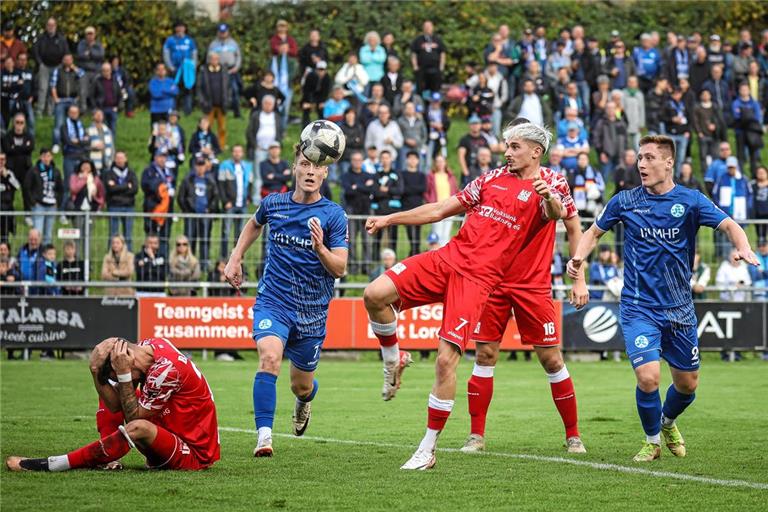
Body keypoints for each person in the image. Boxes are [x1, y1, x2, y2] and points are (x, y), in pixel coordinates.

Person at [364, 121, 565, 470]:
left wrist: (549, 198)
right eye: (506, 145)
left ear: (536, 150)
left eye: (515, 146)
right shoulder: (489, 179)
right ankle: (393, 360)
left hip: (477, 280)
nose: (507, 152)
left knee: (445, 362)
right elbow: (441, 209)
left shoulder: (545, 188)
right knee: (374, 294)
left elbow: (555, 213)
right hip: (447, 258)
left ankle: (427, 449)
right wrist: (390, 219)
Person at [567, 134, 758, 462]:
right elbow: (593, 232)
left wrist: (743, 246)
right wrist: (578, 261)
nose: (642, 164)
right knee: (649, 376)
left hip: (680, 308)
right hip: (638, 306)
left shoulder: (691, 200)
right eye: (640, 157)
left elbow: (729, 225)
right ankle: (652, 441)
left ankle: (668, 422)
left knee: (687, 386)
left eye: (650, 158)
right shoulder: (625, 201)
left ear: (669, 163)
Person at [223, 142, 349, 457]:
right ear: (294, 168)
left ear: (325, 172)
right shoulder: (274, 204)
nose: (309, 171)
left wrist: (321, 249)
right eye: (304, 165)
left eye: (316, 167)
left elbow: (341, 268)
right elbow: (254, 223)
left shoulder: (334, 215)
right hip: (274, 302)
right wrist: (235, 257)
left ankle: (304, 403)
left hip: (312, 312)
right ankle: (264, 437)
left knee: (301, 386)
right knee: (268, 358)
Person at [6, 337, 220, 472]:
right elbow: (116, 406)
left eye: (117, 374)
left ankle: (54, 464)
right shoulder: (149, 347)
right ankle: (107, 460)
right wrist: (95, 372)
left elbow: (135, 420)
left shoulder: (165, 370)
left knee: (139, 427)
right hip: (169, 428)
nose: (119, 379)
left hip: (194, 454)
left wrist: (124, 374)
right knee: (118, 394)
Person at [178, 155, 219, 269]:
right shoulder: (188, 180)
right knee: (190, 239)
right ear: (195, 166)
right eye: (198, 165)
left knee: (205, 239)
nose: (200, 168)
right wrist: (187, 210)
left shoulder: (210, 180)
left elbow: (215, 197)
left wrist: (210, 209)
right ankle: (190, 263)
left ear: (205, 166)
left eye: (202, 165)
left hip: (205, 215)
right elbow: (181, 197)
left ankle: (204, 264)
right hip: (192, 215)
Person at [342, 151, 375, 274]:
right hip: (351, 210)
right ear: (351, 161)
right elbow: (348, 191)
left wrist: (357, 187)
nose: (357, 162)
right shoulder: (346, 176)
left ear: (362, 161)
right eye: (355, 160)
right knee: (351, 241)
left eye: (359, 160)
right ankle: (353, 267)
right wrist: (363, 187)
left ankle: (366, 267)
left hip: (366, 210)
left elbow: (372, 189)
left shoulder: (368, 175)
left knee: (367, 240)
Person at [713, 156, 751, 259]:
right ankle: (727, 259)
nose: (731, 169)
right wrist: (719, 209)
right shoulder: (721, 178)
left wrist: (748, 209)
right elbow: (715, 194)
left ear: (736, 167)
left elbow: (749, 195)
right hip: (726, 213)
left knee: (740, 237)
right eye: (729, 167)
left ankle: (741, 258)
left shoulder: (744, 179)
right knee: (727, 238)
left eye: (733, 167)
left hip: (740, 214)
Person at [218, 145, 253, 258]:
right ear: (232, 153)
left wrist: (248, 198)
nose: (237, 153)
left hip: (242, 204)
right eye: (235, 151)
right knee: (226, 232)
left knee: (240, 233)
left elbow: (250, 184)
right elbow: (221, 185)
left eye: (239, 151)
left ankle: (238, 257)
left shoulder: (247, 166)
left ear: (242, 153)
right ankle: (223, 256)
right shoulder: (225, 166)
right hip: (230, 204)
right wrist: (225, 201)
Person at [141, 149, 175, 259]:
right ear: (155, 158)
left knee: (165, 238)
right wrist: (161, 188)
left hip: (166, 211)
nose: (162, 159)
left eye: (164, 157)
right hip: (153, 209)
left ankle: (163, 262)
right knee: (151, 237)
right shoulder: (149, 171)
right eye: (160, 156)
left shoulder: (169, 171)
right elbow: (146, 185)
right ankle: (150, 262)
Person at [32, 17, 68, 117]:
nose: (51, 27)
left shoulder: (61, 38)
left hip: (57, 67)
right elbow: (35, 51)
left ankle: (50, 112)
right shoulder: (41, 38)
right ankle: (39, 111)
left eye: (53, 25)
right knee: (42, 89)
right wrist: (40, 64)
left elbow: (66, 53)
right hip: (44, 66)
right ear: (46, 26)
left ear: (55, 26)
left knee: (53, 89)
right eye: (49, 25)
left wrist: (62, 65)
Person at [370, 150, 403, 258]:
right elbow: (374, 191)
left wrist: (387, 190)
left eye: (387, 157)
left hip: (392, 210)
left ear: (391, 159)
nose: (385, 160)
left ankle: (392, 259)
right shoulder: (376, 174)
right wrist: (387, 192)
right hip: (379, 209)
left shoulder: (397, 173)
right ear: (380, 159)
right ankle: (375, 259)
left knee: (393, 236)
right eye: (383, 158)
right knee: (377, 236)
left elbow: (400, 190)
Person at [26, 148, 62, 244]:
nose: (46, 158)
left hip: (52, 205)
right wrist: (33, 202)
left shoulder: (56, 171)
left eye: (48, 156)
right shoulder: (34, 170)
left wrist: (58, 202)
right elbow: (27, 187)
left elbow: (60, 188)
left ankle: (46, 256)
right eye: (44, 156)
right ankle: (36, 254)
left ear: (51, 157)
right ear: (40, 157)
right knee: (38, 232)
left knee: (48, 235)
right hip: (39, 205)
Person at [103, 151, 137, 252]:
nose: (119, 160)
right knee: (113, 234)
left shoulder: (131, 173)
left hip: (129, 206)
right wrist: (126, 186)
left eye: (122, 158)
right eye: (117, 158)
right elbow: (110, 189)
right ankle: (111, 257)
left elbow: (134, 189)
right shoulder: (109, 173)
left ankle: (128, 258)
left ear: (126, 159)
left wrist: (117, 187)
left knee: (128, 235)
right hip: (114, 205)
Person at [51, 54, 85, 155]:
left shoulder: (75, 71)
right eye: (66, 59)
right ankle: (56, 143)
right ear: (63, 60)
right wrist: (55, 98)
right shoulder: (58, 71)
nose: (68, 61)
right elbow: (53, 85)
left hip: (72, 100)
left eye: (70, 59)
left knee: (73, 122)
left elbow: (82, 74)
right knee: (59, 123)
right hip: (61, 100)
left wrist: (73, 67)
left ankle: (74, 141)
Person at [247, 95, 283, 189]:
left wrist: (277, 146)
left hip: (273, 149)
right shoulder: (256, 115)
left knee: (273, 174)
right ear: (262, 104)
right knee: (258, 174)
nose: (268, 106)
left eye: (270, 104)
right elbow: (249, 131)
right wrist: (255, 145)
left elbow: (280, 131)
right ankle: (256, 199)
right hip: (260, 148)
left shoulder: (277, 116)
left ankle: (273, 195)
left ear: (273, 105)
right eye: (266, 103)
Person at [162, 21, 197, 116]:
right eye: (178, 27)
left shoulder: (190, 41)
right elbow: (166, 54)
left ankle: (188, 111)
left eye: (182, 27)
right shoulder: (170, 40)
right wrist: (170, 67)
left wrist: (193, 67)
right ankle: (174, 110)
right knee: (174, 90)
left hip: (186, 70)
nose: (180, 29)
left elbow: (194, 54)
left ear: (185, 29)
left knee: (188, 90)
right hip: (175, 69)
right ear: (175, 29)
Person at [208, 23, 242, 118]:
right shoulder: (213, 44)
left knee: (235, 90)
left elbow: (238, 56)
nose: (222, 34)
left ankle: (237, 113)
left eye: (224, 32)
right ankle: (217, 112)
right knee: (217, 92)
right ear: (218, 32)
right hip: (218, 71)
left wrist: (236, 67)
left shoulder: (233, 43)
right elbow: (209, 59)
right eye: (221, 32)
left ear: (228, 32)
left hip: (232, 69)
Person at [197, 52, 230, 148]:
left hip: (222, 103)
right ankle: (207, 144)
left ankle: (221, 145)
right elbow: (199, 88)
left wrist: (228, 100)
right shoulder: (204, 71)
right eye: (212, 59)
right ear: (209, 60)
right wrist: (202, 101)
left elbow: (228, 87)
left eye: (216, 59)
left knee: (222, 127)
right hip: (208, 104)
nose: (214, 61)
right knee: (207, 126)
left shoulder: (224, 71)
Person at [424, 154, 458, 246]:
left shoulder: (450, 176)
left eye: (441, 161)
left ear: (445, 163)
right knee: (437, 232)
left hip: (450, 207)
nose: (440, 164)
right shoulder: (431, 176)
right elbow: (426, 191)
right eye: (438, 161)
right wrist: (430, 203)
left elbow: (455, 190)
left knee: (446, 234)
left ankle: (444, 254)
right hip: (437, 207)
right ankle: (436, 252)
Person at [731, 82, 764, 177]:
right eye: (742, 90)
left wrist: (744, 115)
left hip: (752, 133)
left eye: (746, 89)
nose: (744, 91)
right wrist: (749, 116)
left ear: (749, 90)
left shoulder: (754, 103)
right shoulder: (736, 103)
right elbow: (736, 116)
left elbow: (757, 118)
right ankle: (741, 175)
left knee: (753, 156)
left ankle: (754, 176)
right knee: (740, 156)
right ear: (739, 91)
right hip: (740, 132)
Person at [410, 20, 446, 95]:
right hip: (422, 69)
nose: (427, 28)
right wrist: (415, 66)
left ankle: (434, 105)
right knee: (421, 89)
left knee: (435, 88)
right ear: (423, 28)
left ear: (433, 28)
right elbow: (413, 54)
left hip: (435, 69)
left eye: (429, 27)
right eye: (426, 27)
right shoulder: (418, 40)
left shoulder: (437, 40)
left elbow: (442, 53)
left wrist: (441, 66)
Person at [401, 151, 427, 256]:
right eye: (410, 158)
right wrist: (414, 189)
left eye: (414, 158)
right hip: (407, 207)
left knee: (417, 234)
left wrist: (410, 189)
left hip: (419, 207)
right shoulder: (402, 174)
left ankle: (416, 253)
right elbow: (403, 189)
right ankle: (412, 253)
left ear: (418, 161)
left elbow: (423, 188)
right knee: (410, 234)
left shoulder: (421, 175)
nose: (412, 161)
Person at [692, 89, 725, 171]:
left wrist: (715, 126)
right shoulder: (697, 108)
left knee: (716, 155)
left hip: (714, 135)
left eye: (707, 94)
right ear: (700, 96)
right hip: (703, 135)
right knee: (703, 156)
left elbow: (720, 120)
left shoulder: (715, 106)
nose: (706, 96)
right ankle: (705, 173)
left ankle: (716, 172)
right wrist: (699, 132)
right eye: (704, 94)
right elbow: (695, 121)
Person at [75, 26, 105, 111]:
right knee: (82, 89)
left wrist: (90, 53)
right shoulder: (81, 44)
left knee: (98, 89)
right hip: (84, 71)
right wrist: (93, 56)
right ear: (85, 35)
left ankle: (97, 108)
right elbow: (80, 55)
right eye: (88, 34)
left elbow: (101, 56)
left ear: (94, 35)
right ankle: (83, 109)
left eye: (91, 34)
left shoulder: (99, 45)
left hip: (97, 71)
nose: (90, 36)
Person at [663, 87, 691, 175]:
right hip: (671, 133)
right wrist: (672, 119)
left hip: (683, 134)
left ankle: (678, 176)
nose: (677, 95)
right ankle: (669, 176)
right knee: (670, 157)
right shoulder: (667, 104)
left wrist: (688, 131)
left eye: (678, 93)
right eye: (675, 93)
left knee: (681, 158)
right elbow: (662, 117)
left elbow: (690, 119)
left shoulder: (684, 104)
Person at [270, 40, 298, 128]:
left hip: (287, 88)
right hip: (274, 87)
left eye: (285, 48)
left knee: (285, 110)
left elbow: (293, 74)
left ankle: (282, 129)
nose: (283, 49)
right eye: (282, 47)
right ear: (278, 48)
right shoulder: (274, 60)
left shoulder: (292, 62)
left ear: (288, 49)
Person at [457, 114, 490, 186]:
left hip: (481, 172)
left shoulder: (483, 139)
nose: (475, 126)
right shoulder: (465, 139)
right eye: (473, 124)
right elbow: (461, 156)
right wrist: (466, 172)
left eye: (477, 123)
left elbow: (488, 154)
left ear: (480, 125)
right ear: (469, 125)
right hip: (469, 171)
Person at [91, 63, 121, 135]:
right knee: (102, 129)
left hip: (113, 108)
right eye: (104, 70)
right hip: (101, 108)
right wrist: (96, 108)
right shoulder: (97, 81)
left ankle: (111, 145)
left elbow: (119, 94)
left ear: (110, 71)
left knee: (112, 129)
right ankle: (103, 144)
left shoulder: (115, 81)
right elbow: (92, 95)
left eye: (107, 70)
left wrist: (118, 106)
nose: (106, 72)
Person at [87, 109, 114, 174]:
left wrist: (112, 159)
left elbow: (112, 147)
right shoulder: (88, 131)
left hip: (107, 160)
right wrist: (93, 147)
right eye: (97, 115)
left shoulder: (107, 130)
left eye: (101, 115)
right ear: (93, 117)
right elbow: (84, 147)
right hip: (94, 161)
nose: (99, 116)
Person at [0, 154, 20, 242]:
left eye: (3, 159)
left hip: (6, 206)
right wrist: (6, 187)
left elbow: (17, 186)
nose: (1, 162)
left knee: (5, 235)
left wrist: (7, 176)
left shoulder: (9, 173)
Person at [622, 76, 645, 149]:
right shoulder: (623, 93)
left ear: (636, 83)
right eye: (630, 82)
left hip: (636, 123)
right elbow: (621, 109)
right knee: (627, 146)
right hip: (626, 124)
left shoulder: (639, 94)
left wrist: (641, 124)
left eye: (633, 82)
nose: (632, 84)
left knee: (637, 146)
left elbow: (642, 110)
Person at [752, 165, 768, 244]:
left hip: (767, 212)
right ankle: (760, 252)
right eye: (759, 173)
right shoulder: (752, 185)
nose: (761, 174)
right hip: (757, 213)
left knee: (765, 234)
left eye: (763, 172)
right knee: (759, 235)